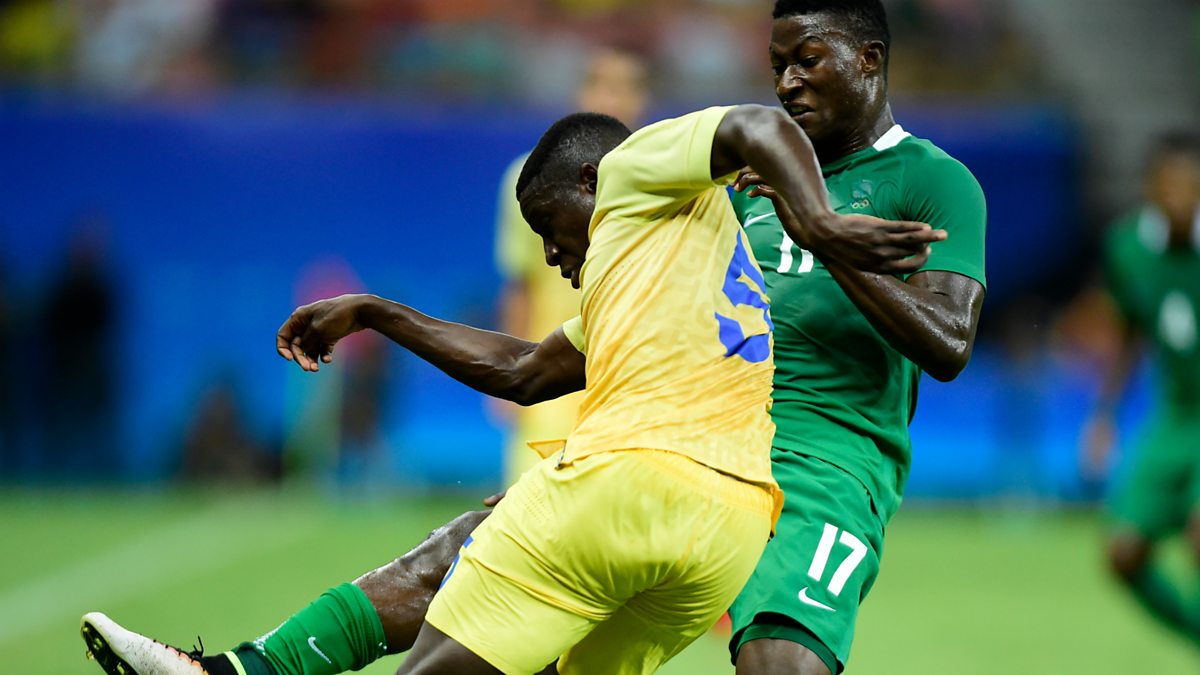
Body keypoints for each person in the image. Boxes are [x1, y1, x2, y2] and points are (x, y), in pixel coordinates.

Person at [81, 1, 986, 672]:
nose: (786, 83)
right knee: (462, 550)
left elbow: (947, 344)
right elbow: (536, 364)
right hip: (707, 454)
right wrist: (384, 313)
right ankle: (239, 668)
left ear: (869, 59)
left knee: (777, 663)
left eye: (807, 61)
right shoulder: (728, 198)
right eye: (777, 63)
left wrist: (822, 237)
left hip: (827, 468)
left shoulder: (932, 182)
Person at [494, 46, 648, 484]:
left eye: (625, 87)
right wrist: (510, 372)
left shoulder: (661, 181)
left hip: (631, 378)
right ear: (581, 92)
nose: (612, 97)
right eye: (601, 84)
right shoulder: (527, 179)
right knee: (529, 504)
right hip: (552, 371)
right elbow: (521, 283)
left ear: (643, 99)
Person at [1080, 132, 1200, 645]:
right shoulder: (1128, 248)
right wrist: (1104, 418)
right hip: (1174, 415)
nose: (1179, 197)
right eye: (1169, 185)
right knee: (1123, 554)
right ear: (1150, 188)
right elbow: (1130, 333)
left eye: (1191, 186)